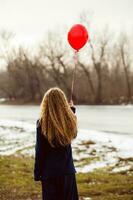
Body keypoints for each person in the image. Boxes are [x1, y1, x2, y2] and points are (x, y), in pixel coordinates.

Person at [34, 87, 79, 200]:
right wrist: (71, 113)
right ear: (63, 102)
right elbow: (73, 135)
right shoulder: (69, 120)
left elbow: (40, 151)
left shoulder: (42, 123)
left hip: (50, 174)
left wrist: (37, 172)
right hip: (67, 173)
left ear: (46, 103)